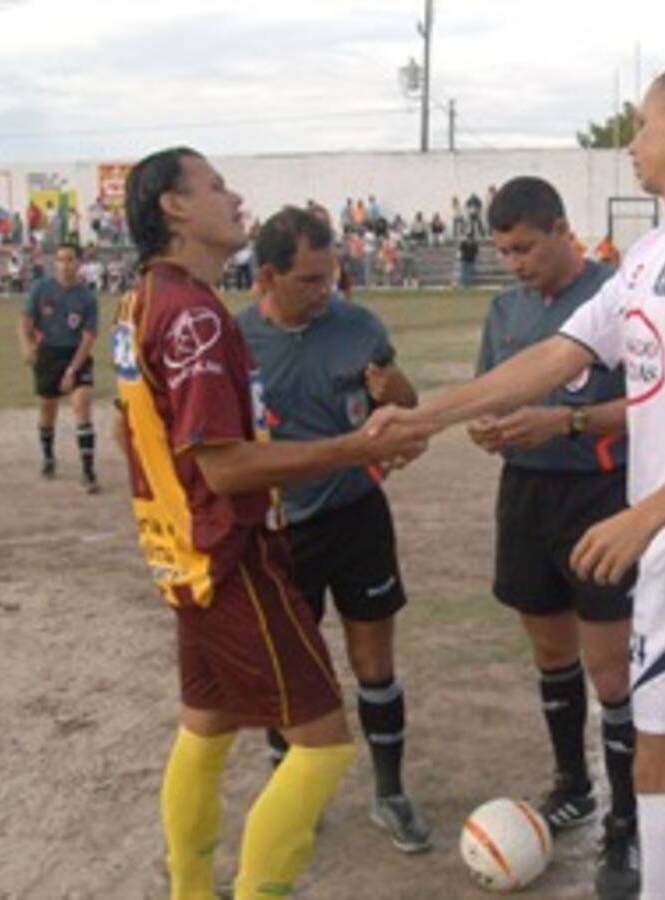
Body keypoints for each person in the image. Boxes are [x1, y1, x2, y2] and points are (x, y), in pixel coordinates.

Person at [369, 62, 665, 899]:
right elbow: (554, 357)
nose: (632, 145)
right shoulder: (651, 252)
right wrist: (430, 416)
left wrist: (647, 516)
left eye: (639, 127)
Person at [112, 148, 432, 900]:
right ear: (174, 208)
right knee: (320, 745)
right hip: (229, 553)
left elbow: (137, 436)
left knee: (208, 721)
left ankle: (190, 889)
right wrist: (358, 447)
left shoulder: (143, 301)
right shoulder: (193, 317)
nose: (233, 197)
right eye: (215, 185)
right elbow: (222, 468)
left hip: (182, 555)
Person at [235, 205, 432, 854]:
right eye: (311, 280)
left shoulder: (358, 326)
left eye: (332, 276)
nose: (327, 292)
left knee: (373, 659)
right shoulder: (236, 344)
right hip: (280, 527)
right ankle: (293, 801)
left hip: (356, 518)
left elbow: (402, 412)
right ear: (267, 276)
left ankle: (390, 794)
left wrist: (395, 390)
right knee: (289, 669)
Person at [474, 176, 638, 899]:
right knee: (550, 653)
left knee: (611, 668)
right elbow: (492, 391)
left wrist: (566, 422)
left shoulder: (620, 296)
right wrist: (488, 427)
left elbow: (655, 404)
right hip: (527, 496)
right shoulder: (505, 311)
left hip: (602, 497)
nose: (514, 264)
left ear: (562, 230)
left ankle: (627, 822)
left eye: (524, 248)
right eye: (503, 251)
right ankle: (571, 782)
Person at [16, 241, 100, 493]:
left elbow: (88, 337)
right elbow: (25, 321)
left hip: (76, 355)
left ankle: (88, 471)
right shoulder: (41, 290)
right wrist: (26, 345)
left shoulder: (86, 297)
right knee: (47, 410)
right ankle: (49, 457)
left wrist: (72, 371)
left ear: (79, 263)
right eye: (60, 260)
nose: (65, 265)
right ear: (54, 263)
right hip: (48, 355)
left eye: (70, 259)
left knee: (81, 403)